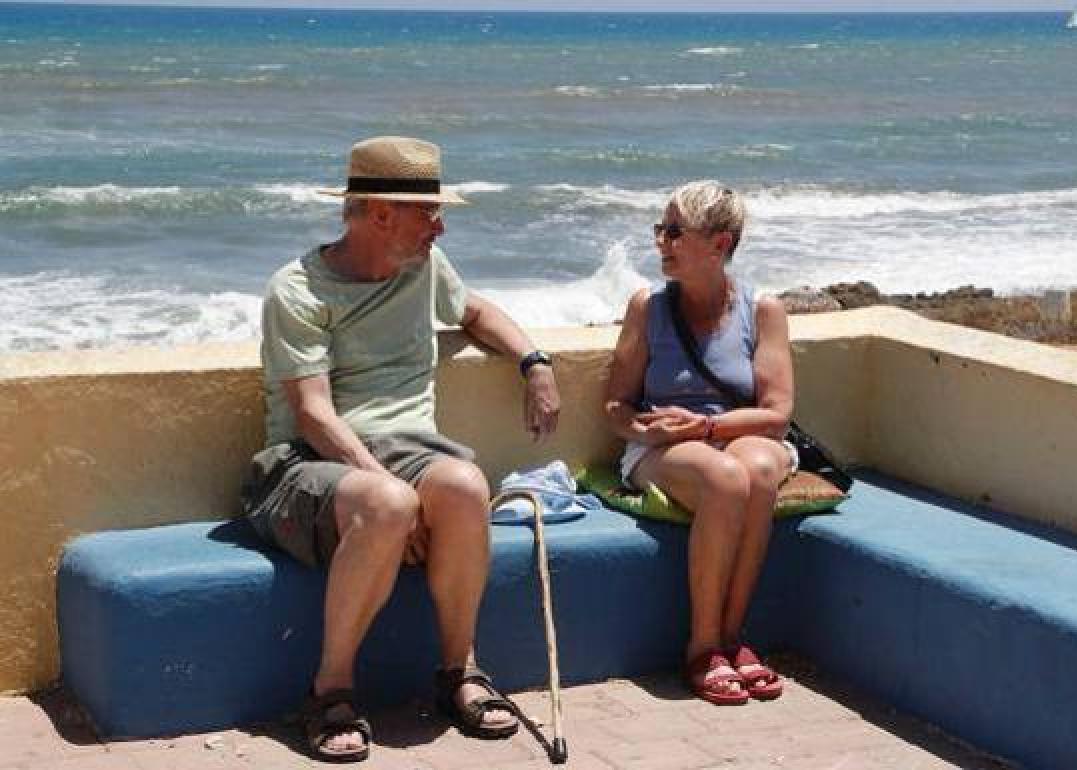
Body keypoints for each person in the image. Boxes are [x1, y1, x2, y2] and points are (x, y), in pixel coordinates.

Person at [241, 136, 561, 762]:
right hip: (309, 466)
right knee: (387, 503)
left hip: (410, 451)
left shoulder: (423, 267)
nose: (440, 227)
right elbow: (312, 413)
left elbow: (474, 313)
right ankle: (329, 690)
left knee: (468, 485)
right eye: (429, 213)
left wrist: (534, 362)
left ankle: (459, 671)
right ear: (381, 213)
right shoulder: (298, 290)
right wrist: (397, 494)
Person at [603, 180, 794, 706]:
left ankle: (734, 637)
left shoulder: (763, 310)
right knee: (725, 477)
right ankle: (703, 645)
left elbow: (777, 414)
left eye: (675, 232)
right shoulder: (648, 306)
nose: (662, 242)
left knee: (754, 470)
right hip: (663, 448)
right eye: (660, 230)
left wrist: (707, 428)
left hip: (734, 435)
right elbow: (616, 406)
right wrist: (646, 430)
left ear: (720, 243)